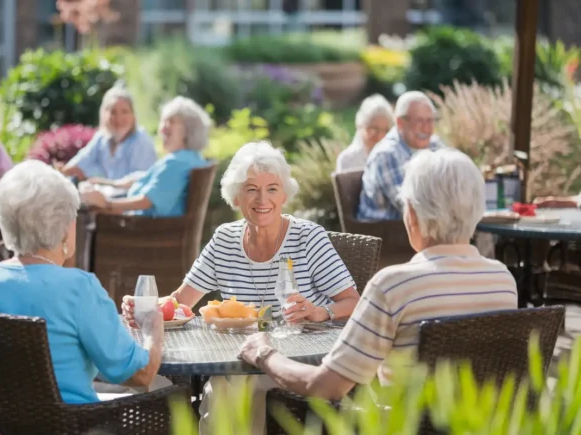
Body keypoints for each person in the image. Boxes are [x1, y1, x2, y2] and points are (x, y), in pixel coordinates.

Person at [238, 148, 518, 401]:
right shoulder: (503, 281)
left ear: (412, 214)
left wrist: (264, 354)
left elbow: (326, 386)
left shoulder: (393, 286)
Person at [121, 141, 360, 435]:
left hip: (297, 363)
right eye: (251, 189)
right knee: (226, 383)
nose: (263, 199)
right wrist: (145, 308)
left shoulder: (307, 238)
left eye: (272, 188)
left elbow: (353, 302)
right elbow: (182, 301)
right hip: (239, 360)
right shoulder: (225, 239)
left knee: (231, 386)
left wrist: (321, 312)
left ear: (284, 194)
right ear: (236, 197)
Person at [0, 160, 164, 404]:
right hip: (75, 426)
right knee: (166, 392)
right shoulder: (78, 287)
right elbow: (139, 374)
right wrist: (153, 331)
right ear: (66, 229)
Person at [80, 96, 210, 218]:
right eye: (163, 121)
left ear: (189, 129)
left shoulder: (175, 162)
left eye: (171, 122)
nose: (163, 128)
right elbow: (156, 180)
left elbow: (145, 202)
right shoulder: (192, 158)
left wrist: (106, 203)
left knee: (84, 214)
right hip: (156, 231)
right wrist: (111, 183)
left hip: (146, 234)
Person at [357, 91, 445, 221]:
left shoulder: (434, 144)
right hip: (385, 234)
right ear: (400, 123)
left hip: (419, 228)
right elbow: (410, 207)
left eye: (430, 120)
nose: (426, 128)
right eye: (419, 121)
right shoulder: (386, 155)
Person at [61, 87, 157, 183]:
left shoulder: (141, 141)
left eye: (125, 111)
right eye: (113, 112)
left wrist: (103, 183)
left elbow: (141, 182)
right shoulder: (101, 138)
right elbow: (81, 161)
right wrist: (64, 170)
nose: (119, 118)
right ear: (104, 114)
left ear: (133, 115)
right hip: (105, 194)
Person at [335, 94, 393, 173]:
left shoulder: (393, 154)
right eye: (374, 129)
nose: (380, 136)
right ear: (360, 126)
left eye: (385, 130)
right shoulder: (347, 159)